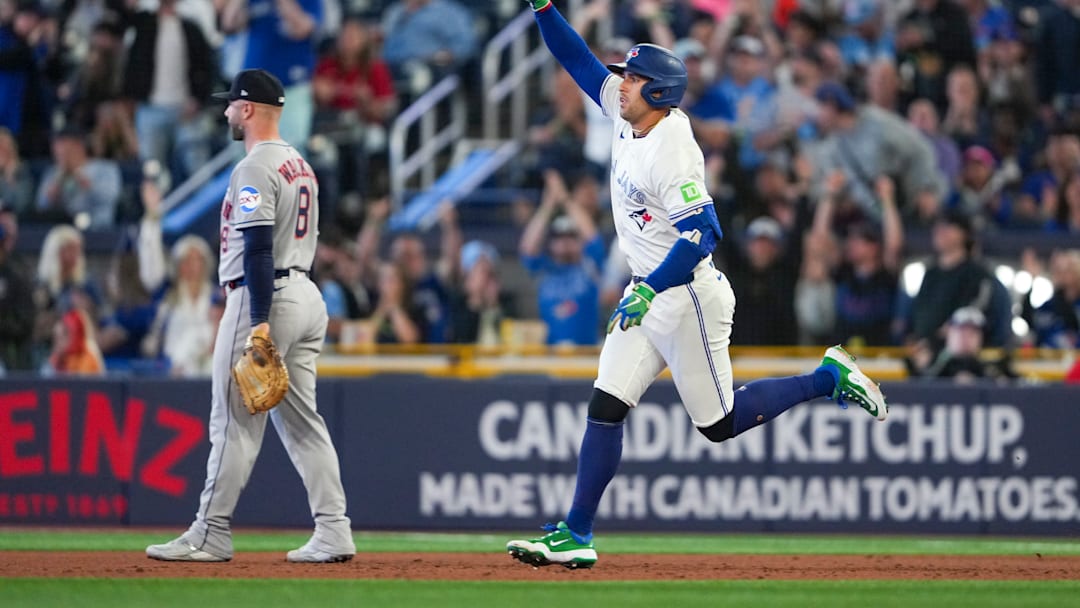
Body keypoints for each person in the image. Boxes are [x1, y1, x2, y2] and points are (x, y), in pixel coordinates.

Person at [506, 0, 889, 570]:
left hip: (687, 295)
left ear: (659, 93)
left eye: (635, 78)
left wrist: (648, 287)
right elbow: (577, 59)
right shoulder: (632, 113)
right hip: (649, 287)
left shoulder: (672, 149)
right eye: (627, 75)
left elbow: (704, 234)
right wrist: (543, 7)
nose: (623, 83)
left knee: (718, 424)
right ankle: (577, 532)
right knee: (605, 406)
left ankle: (827, 377)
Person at [146, 69, 354, 563]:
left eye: (230, 105)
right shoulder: (300, 163)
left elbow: (258, 248)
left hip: (264, 297)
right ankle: (333, 529)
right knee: (304, 423)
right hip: (305, 293)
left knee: (233, 421)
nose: (224, 112)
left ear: (248, 109)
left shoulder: (254, 168)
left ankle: (210, 531)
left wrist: (258, 320)